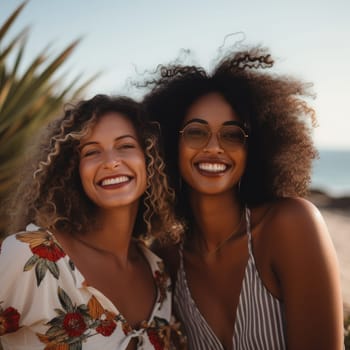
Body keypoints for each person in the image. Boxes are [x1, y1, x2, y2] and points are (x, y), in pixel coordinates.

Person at [141, 47, 344, 349]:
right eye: (196, 132)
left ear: (256, 147)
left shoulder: (290, 225)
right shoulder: (169, 255)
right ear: (171, 142)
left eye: (233, 134)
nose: (214, 146)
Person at [0, 94, 185, 350]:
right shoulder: (29, 257)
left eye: (126, 146)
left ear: (151, 160)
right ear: (74, 169)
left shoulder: (158, 274)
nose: (110, 162)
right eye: (92, 152)